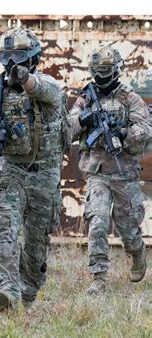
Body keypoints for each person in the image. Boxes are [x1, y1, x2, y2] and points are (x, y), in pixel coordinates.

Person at [0, 28, 67, 310]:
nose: (11, 63)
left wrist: (25, 79)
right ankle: (6, 292)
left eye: (18, 57)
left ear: (33, 57)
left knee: (35, 242)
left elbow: (45, 91)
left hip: (43, 175)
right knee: (4, 234)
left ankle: (28, 290)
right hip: (9, 172)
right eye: (6, 56)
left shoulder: (46, 83)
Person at [68, 45, 150, 295]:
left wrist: (124, 134)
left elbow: (145, 127)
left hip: (124, 172)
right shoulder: (86, 97)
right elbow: (68, 128)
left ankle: (137, 252)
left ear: (115, 70)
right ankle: (98, 279)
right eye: (97, 70)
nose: (101, 75)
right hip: (98, 172)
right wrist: (83, 120)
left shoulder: (129, 97)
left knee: (127, 227)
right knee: (98, 221)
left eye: (105, 70)